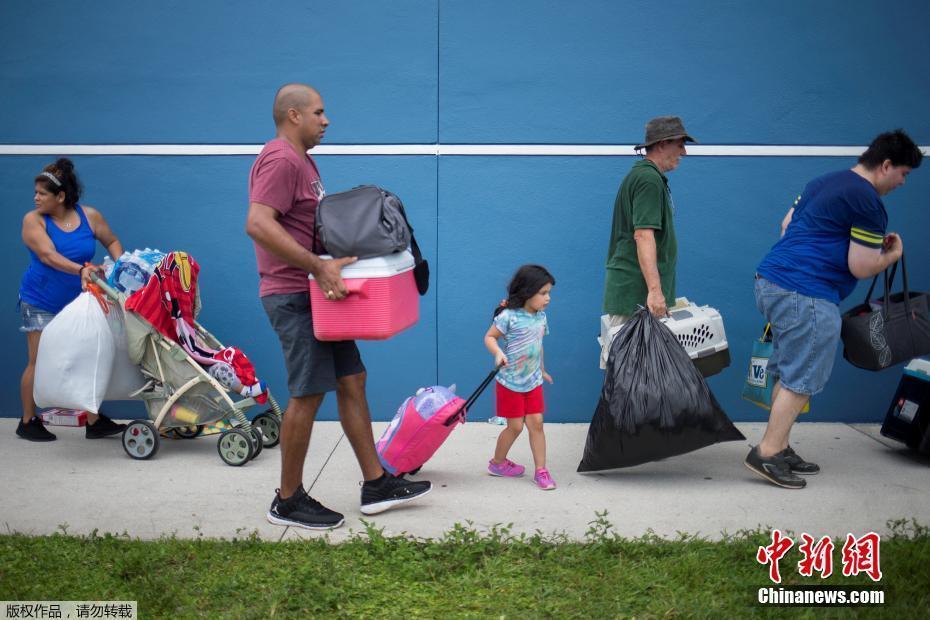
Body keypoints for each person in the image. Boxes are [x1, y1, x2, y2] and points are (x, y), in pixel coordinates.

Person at [246, 83, 431, 530]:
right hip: (293, 295)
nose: (326, 120)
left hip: (320, 295)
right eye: (319, 113)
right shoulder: (280, 158)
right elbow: (257, 222)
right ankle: (287, 500)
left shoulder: (304, 162)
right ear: (293, 115)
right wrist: (317, 266)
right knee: (307, 393)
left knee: (353, 379)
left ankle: (376, 484)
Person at [745, 129, 923, 489]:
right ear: (886, 165)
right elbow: (860, 266)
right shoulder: (868, 201)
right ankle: (766, 453)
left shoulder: (823, 182)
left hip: (771, 280)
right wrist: (891, 255)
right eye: (903, 173)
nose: (903, 182)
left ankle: (777, 447)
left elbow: (786, 226)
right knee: (804, 377)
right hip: (807, 292)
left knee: (790, 372)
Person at [17, 158, 127, 441]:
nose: (36, 197)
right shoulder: (34, 220)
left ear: (61, 196)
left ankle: (94, 421)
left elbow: (112, 241)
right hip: (41, 299)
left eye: (42, 193)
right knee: (38, 360)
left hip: (81, 300)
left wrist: (120, 267)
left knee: (89, 356)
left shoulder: (89, 216)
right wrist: (82, 269)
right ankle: (28, 420)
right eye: (36, 192)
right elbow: (48, 256)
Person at [601, 116, 695, 368]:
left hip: (638, 295)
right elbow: (643, 234)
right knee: (632, 379)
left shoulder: (648, 177)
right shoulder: (648, 180)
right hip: (636, 295)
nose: (684, 152)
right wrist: (654, 291)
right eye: (680, 144)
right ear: (663, 143)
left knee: (639, 379)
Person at [484, 264, 557, 490]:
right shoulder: (509, 317)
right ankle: (497, 463)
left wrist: (542, 370)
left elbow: (538, 347)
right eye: (543, 293)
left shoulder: (541, 318)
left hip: (533, 381)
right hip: (510, 383)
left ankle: (541, 471)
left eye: (549, 293)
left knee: (536, 423)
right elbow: (489, 337)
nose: (548, 299)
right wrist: (498, 353)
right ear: (527, 292)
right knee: (515, 427)